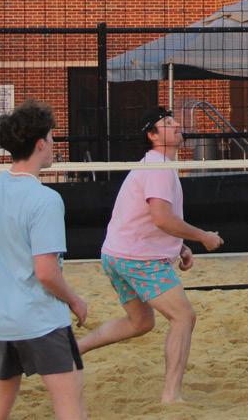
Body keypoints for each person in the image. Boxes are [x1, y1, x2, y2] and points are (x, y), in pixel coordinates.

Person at [0, 99, 89, 420]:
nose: (54, 144)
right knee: (71, 408)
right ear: (40, 144)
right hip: (43, 320)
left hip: (2, 324)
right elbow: (46, 273)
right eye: (51, 137)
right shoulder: (46, 199)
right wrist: (75, 300)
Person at [77, 108, 223, 405]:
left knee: (140, 322)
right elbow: (161, 218)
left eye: (174, 120)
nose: (177, 124)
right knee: (183, 317)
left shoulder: (157, 165)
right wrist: (202, 236)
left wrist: (179, 247)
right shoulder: (157, 167)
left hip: (116, 254)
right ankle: (171, 395)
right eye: (167, 123)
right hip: (137, 259)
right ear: (152, 135)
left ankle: (72, 351)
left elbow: (148, 217)